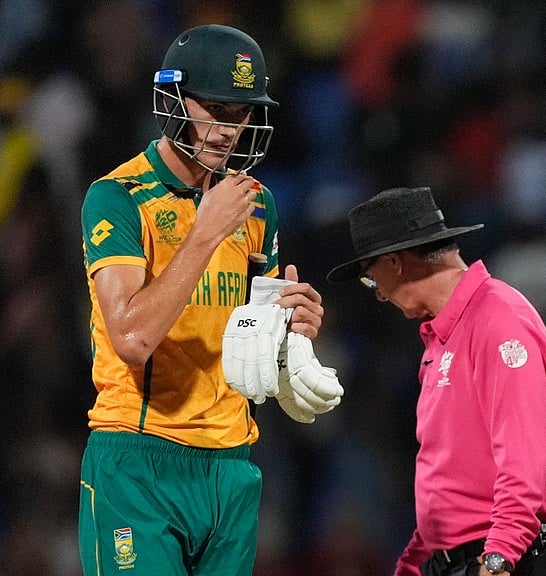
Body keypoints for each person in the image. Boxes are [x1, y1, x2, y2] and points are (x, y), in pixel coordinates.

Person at [79, 24, 341, 576]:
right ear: (174, 99)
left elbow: (254, 330)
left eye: (241, 113)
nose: (226, 130)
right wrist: (204, 231)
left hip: (231, 465)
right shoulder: (117, 198)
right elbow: (131, 339)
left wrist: (293, 325)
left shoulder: (256, 203)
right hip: (138, 460)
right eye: (214, 108)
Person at [326, 186, 546, 576]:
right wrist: (417, 558)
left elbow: (523, 455)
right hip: (462, 558)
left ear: (395, 263)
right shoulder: (441, 336)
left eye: (371, 280)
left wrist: (499, 558)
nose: (378, 296)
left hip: (504, 558)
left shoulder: (497, 320)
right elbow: (450, 469)